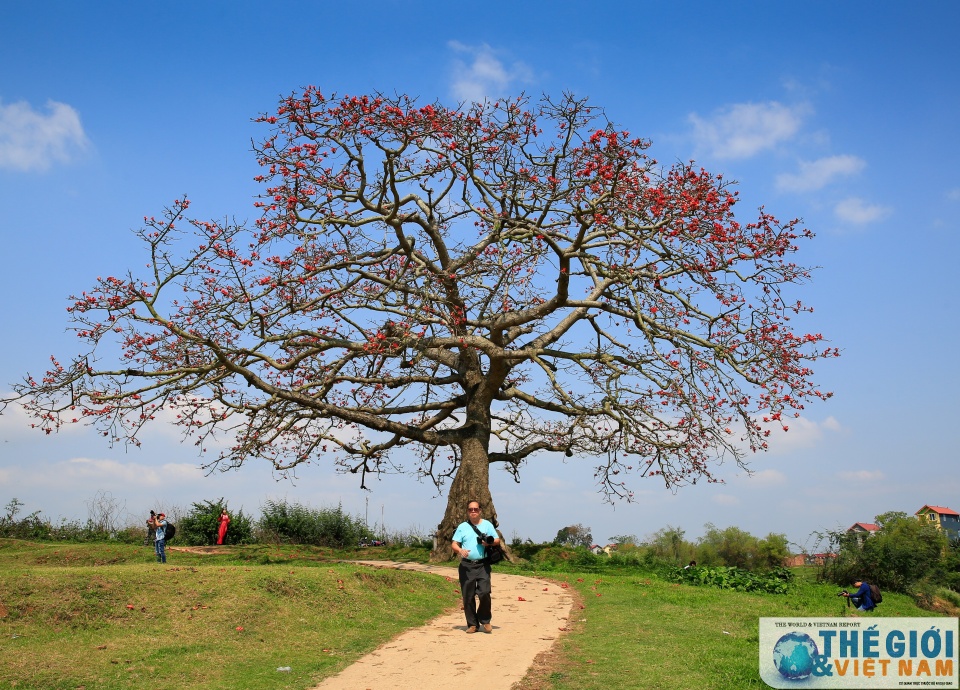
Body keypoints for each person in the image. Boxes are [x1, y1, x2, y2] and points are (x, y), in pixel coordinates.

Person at [451, 500, 500, 634]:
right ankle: (472, 624)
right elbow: (454, 543)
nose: (473, 511)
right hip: (467, 565)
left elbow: (497, 540)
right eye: (470, 509)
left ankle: (485, 620)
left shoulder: (487, 525)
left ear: (480, 511)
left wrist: (488, 543)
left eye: (476, 509)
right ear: (468, 511)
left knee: (484, 592)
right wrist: (460, 550)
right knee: (468, 595)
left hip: (483, 564)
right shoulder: (462, 527)